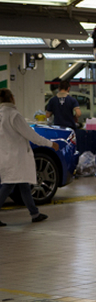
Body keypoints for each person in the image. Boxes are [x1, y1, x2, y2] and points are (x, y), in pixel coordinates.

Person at [0, 88, 58, 226]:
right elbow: (31, 135)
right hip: (16, 158)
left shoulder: (1, 114)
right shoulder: (14, 115)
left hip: (5, 156)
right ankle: (35, 213)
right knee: (8, 187)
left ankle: (35, 213)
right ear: (12, 98)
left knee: (24, 185)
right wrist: (50, 144)